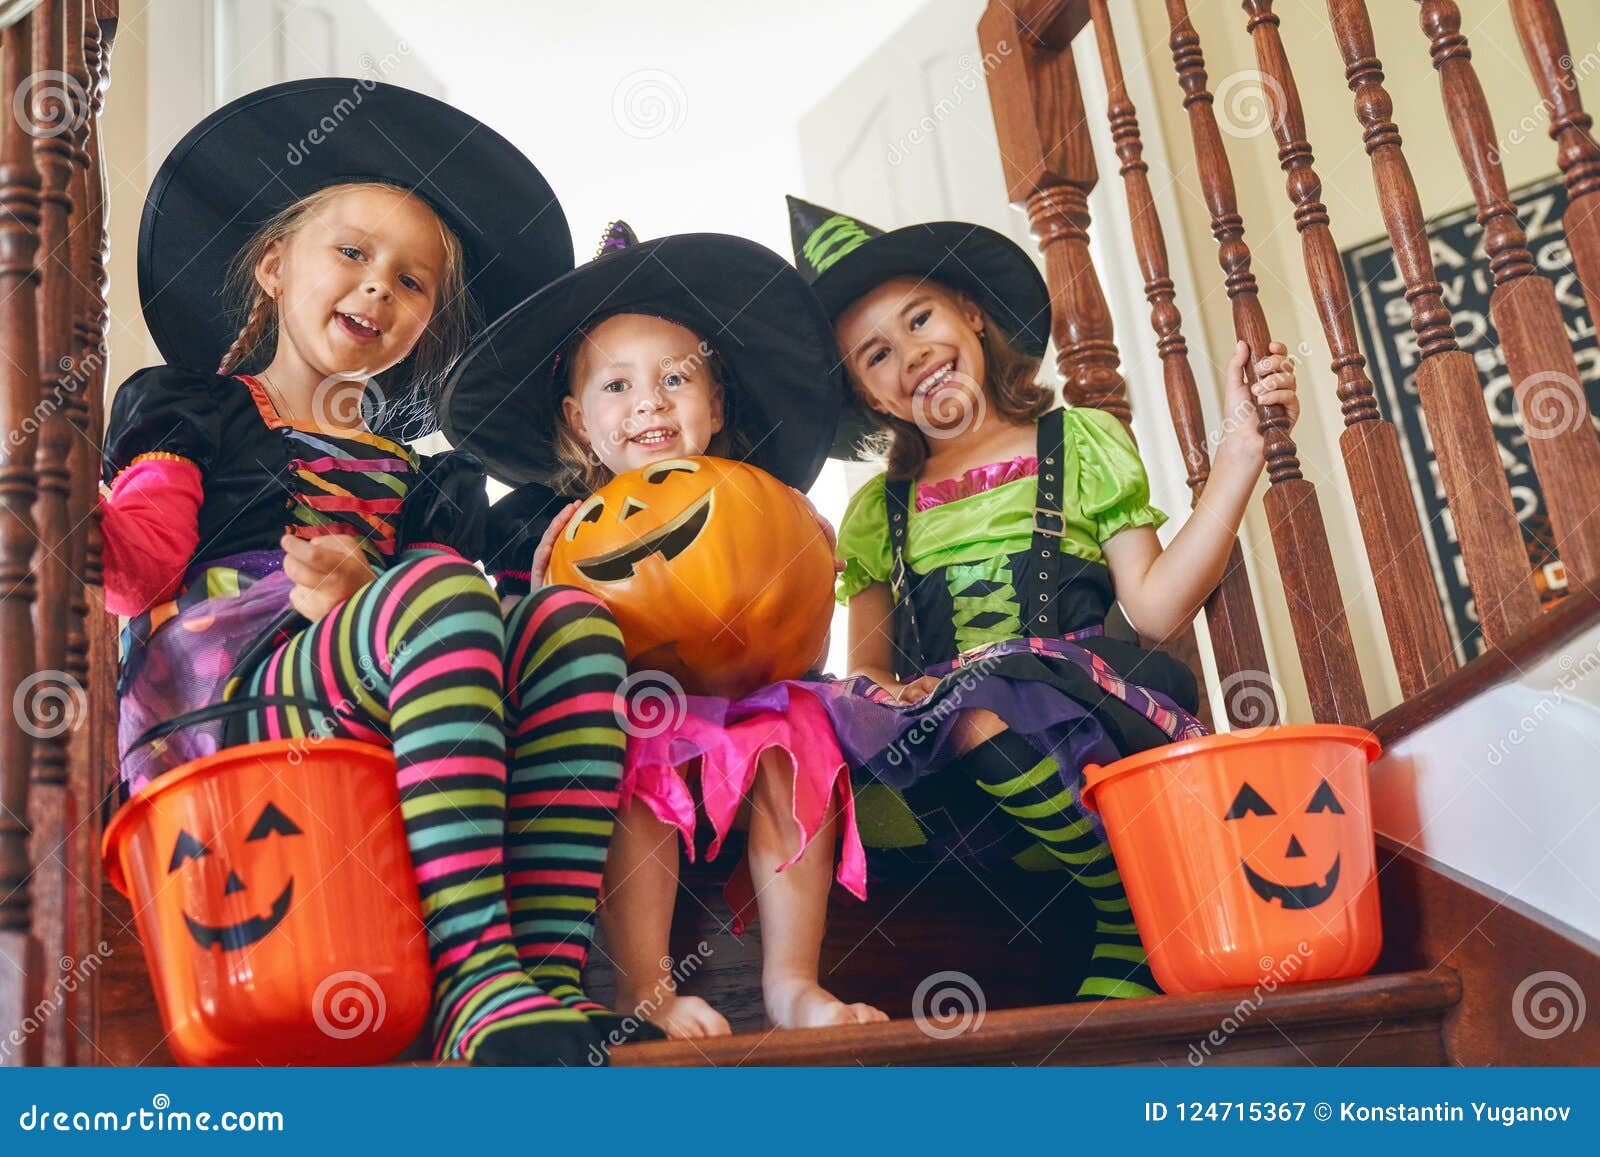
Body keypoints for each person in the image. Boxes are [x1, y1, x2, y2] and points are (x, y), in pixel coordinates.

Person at [100, 79, 631, 1064]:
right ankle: (472, 968)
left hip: (369, 699)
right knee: (431, 594)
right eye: (353, 252)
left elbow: (454, 627)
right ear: (272, 265)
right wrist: (55, 509)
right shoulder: (192, 410)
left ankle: (544, 973)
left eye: (414, 280)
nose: (381, 285)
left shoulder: (425, 482)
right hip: (223, 711)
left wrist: (362, 597)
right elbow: (137, 569)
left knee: (570, 622)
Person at [786, 196, 1300, 998]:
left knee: (994, 685)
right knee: (838, 713)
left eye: (921, 319)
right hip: (961, 774)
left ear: (973, 314)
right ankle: (1104, 886)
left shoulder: (1082, 443)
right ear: (871, 399)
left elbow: (1158, 609)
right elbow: (871, 676)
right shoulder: (874, 515)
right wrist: (894, 696)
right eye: (876, 355)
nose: (911, 356)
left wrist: (1238, 455)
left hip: (1090, 730)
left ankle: (1128, 907)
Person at [443, 223, 885, 1038]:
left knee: (802, 732)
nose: (648, 400)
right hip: (634, 710)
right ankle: (643, 983)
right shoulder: (541, 527)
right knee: (630, 744)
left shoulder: (766, 499)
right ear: (579, 420)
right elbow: (519, 663)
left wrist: (806, 571)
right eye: (617, 386)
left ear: (714, 406)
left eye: (675, 378)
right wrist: (541, 595)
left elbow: (796, 649)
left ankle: (791, 979)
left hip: (747, 702)